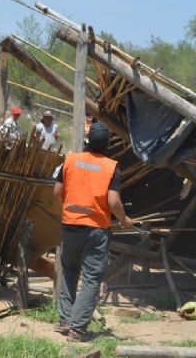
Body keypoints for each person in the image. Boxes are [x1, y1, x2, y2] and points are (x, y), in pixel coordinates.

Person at [53, 121, 133, 342]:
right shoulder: (111, 167)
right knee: (91, 278)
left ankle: (65, 320)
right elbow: (113, 201)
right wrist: (124, 219)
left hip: (70, 225)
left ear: (88, 140)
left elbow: (57, 191)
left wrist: (70, 209)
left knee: (69, 270)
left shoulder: (70, 160)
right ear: (107, 144)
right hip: (96, 229)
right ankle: (77, 329)